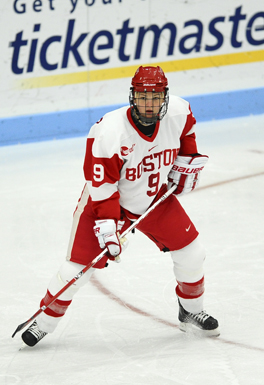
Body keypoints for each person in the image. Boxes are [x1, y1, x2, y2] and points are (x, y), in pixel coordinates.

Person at [21, 65, 219, 347]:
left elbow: (186, 133)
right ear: (132, 97)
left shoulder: (179, 111)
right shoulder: (110, 133)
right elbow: (102, 187)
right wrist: (108, 227)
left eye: (155, 98)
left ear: (165, 97)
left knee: (192, 252)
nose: (149, 105)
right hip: (105, 203)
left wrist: (186, 162)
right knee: (76, 269)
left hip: (154, 199)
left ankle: (191, 311)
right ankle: (43, 321)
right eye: (142, 97)